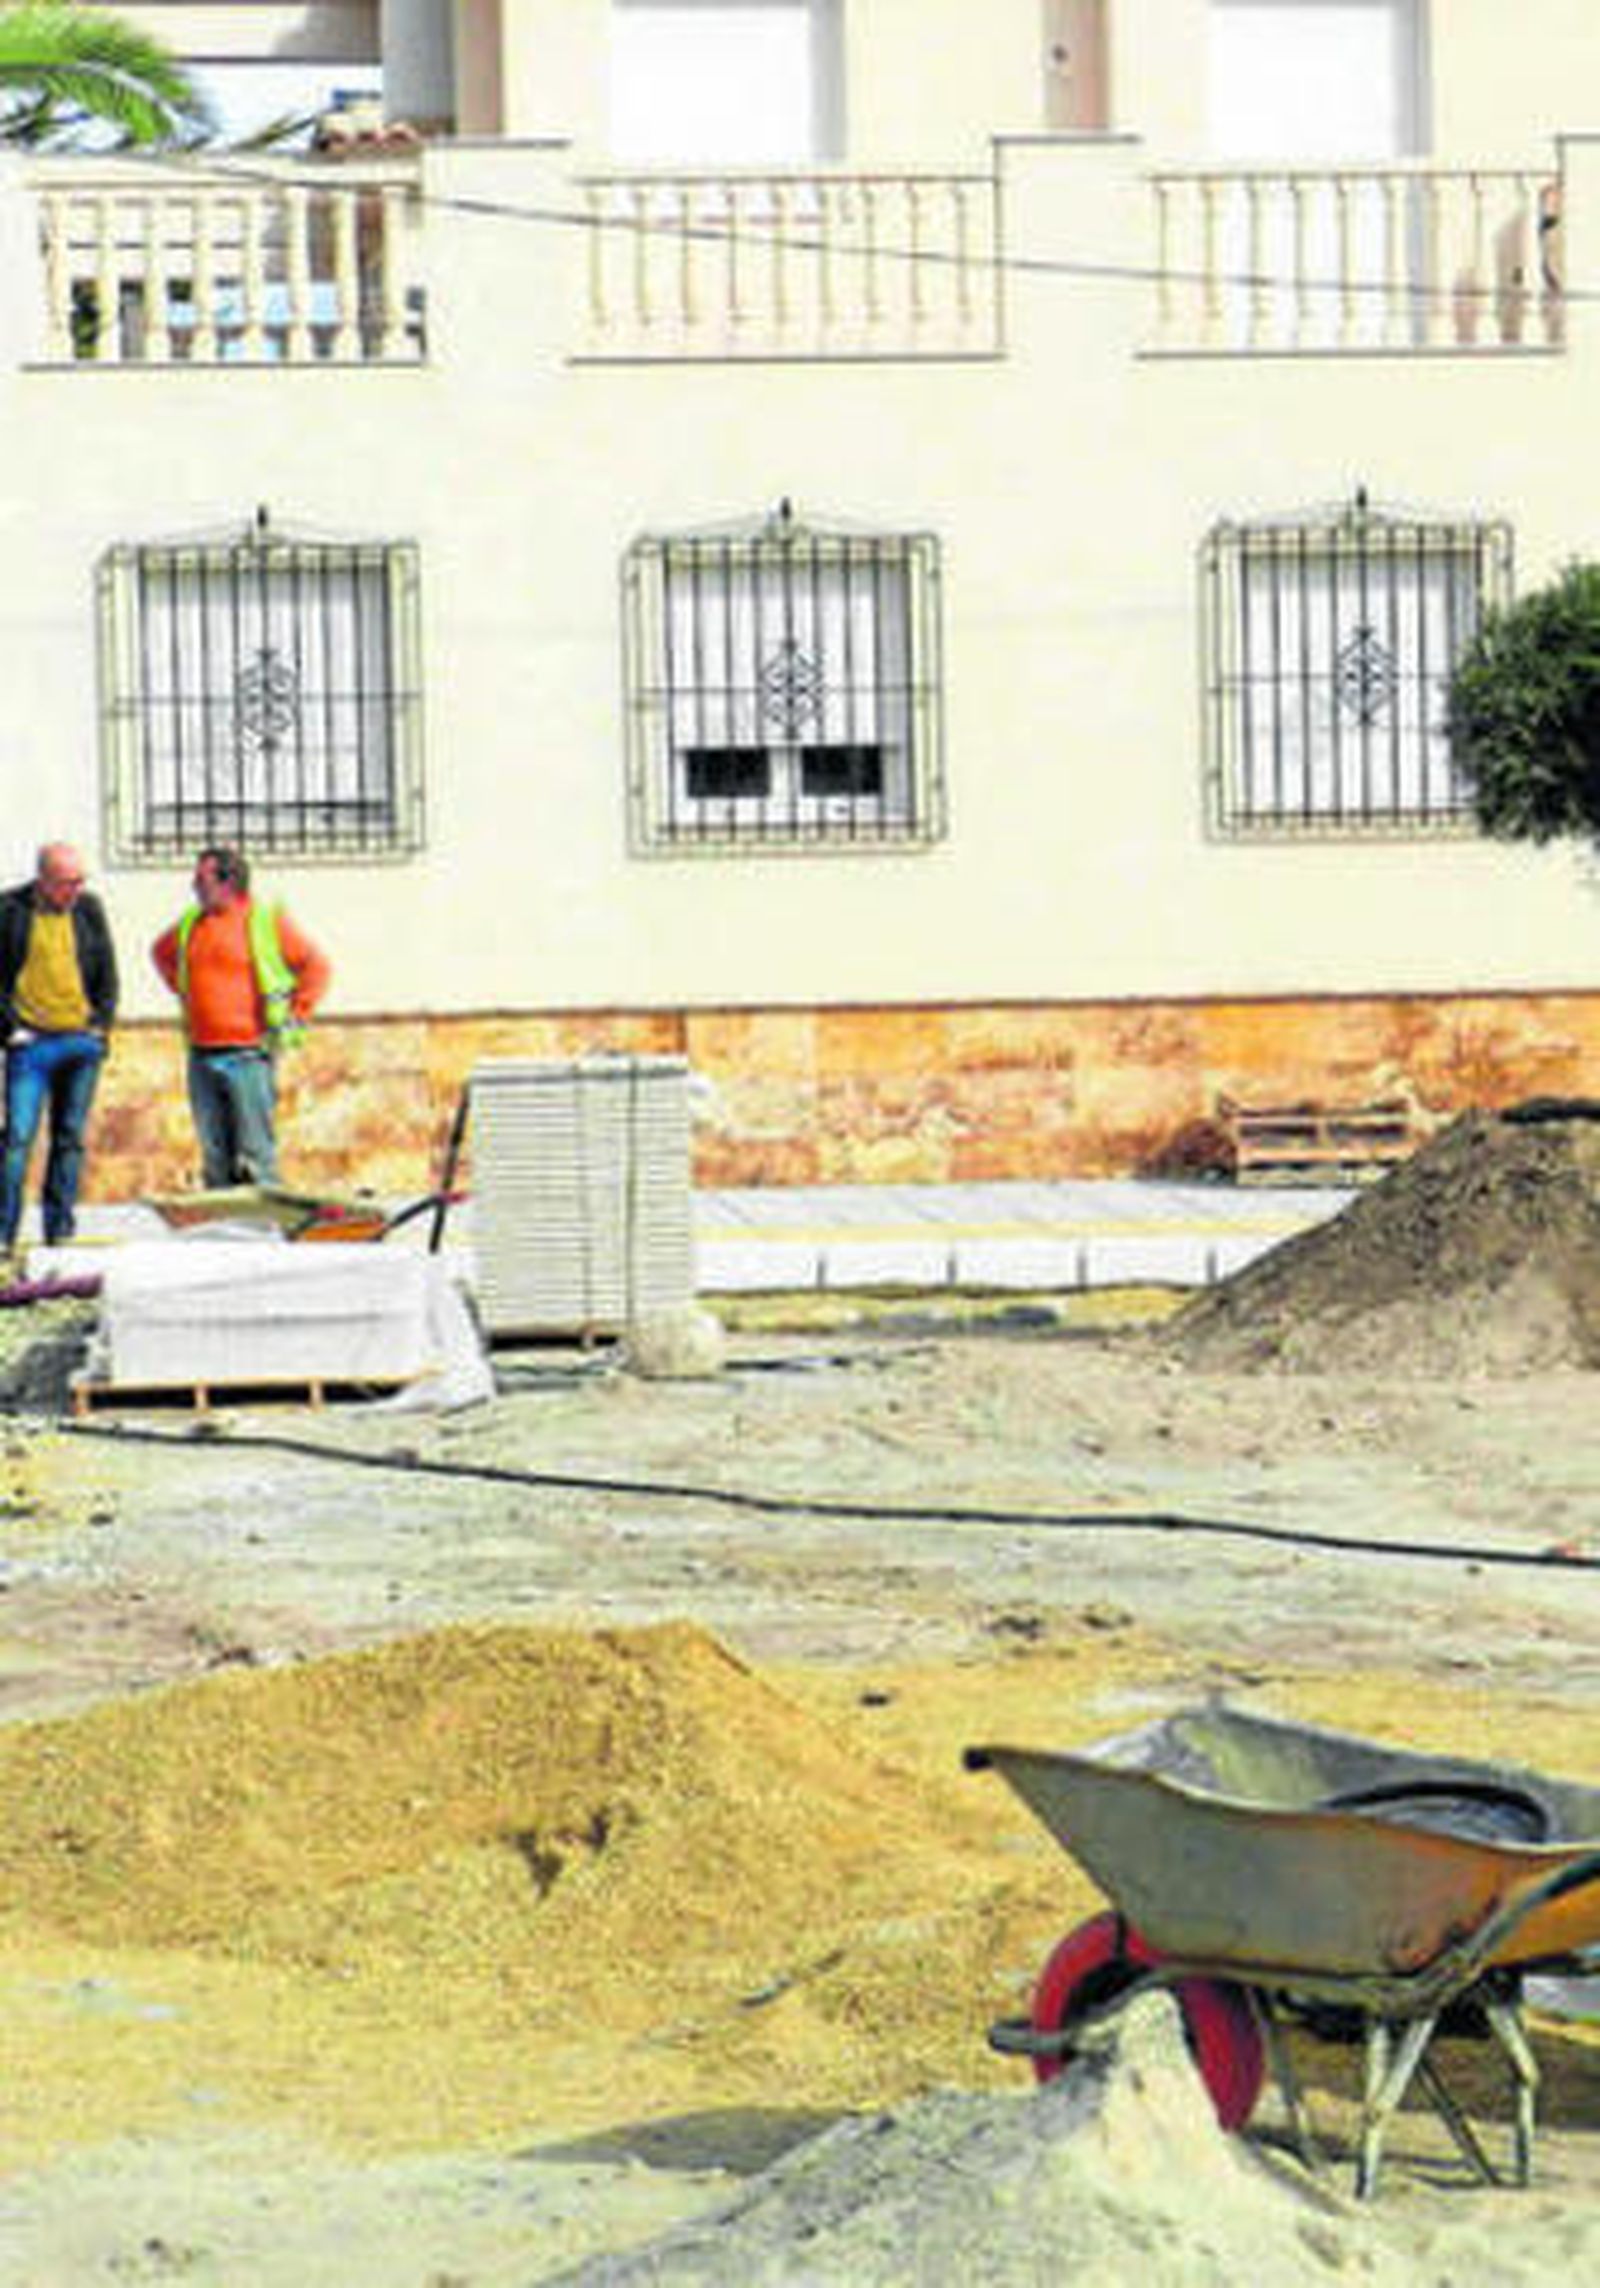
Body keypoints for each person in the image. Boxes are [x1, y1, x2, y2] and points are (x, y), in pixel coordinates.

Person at [151, 847, 330, 1188]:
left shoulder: (264, 921)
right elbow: (160, 953)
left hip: (249, 1054)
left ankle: (265, 1231)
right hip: (201, 1055)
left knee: (255, 1154)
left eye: (201, 879)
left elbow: (316, 967)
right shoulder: (191, 923)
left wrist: (297, 1014)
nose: (194, 886)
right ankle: (226, 1231)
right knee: (215, 1155)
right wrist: (187, 992)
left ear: (228, 881)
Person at [0, 843, 119, 1253]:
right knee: (17, 1140)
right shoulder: (10, 909)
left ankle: (59, 1231)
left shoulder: (89, 909)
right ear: (44, 880)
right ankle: (3, 1234)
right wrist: (10, 1029)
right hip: (30, 1044)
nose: (75, 889)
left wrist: (101, 1026)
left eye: (79, 880)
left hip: (80, 1041)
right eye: (67, 882)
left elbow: (107, 970)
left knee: (69, 1138)